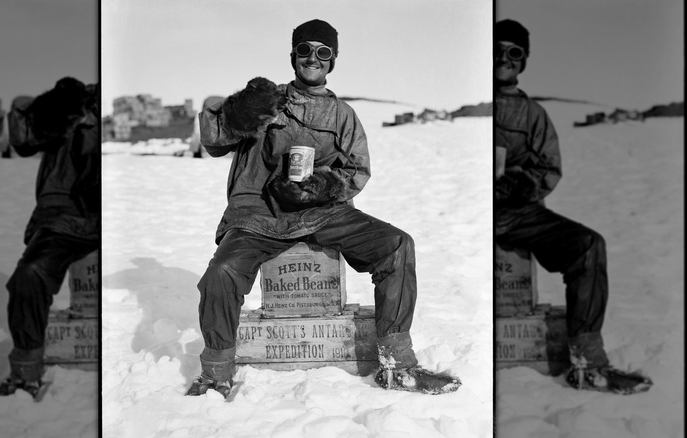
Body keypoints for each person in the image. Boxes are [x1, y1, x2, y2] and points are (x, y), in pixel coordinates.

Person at [187, 19, 461, 398]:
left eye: (322, 52)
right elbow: (214, 139)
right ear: (293, 56)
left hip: (323, 213)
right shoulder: (267, 102)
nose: (312, 58)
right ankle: (216, 373)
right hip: (259, 215)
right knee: (222, 271)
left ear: (332, 61)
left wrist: (324, 186)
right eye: (304, 50)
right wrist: (240, 111)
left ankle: (397, 366)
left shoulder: (343, 116)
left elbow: (357, 171)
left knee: (397, 246)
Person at [494, 19, 652, 394]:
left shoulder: (534, 116)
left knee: (588, 246)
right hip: (471, 214)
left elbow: (549, 168)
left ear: (525, 59)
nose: (505, 58)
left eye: (514, 52)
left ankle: (588, 363)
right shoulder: (475, 106)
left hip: (517, 214)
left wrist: (520, 185)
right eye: (497, 50)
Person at [0, 77, 100, 398]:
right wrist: (57, 104)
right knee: (29, 275)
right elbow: (23, 138)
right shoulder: (67, 110)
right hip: (64, 219)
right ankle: (25, 371)